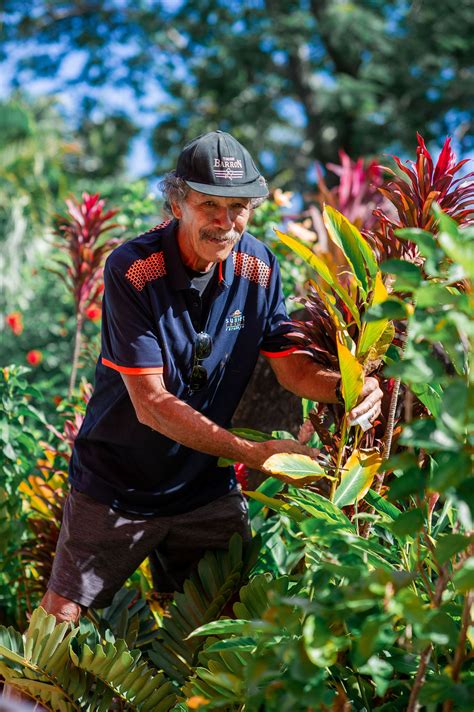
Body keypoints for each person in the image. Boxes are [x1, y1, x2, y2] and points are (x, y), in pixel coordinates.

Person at [41, 130, 382, 623]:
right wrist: (254, 456)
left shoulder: (259, 267)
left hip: (204, 486)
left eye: (239, 207)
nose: (225, 223)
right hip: (117, 484)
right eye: (210, 205)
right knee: (61, 620)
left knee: (227, 625)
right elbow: (151, 403)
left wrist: (349, 387)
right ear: (177, 204)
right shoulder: (133, 270)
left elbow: (291, 370)